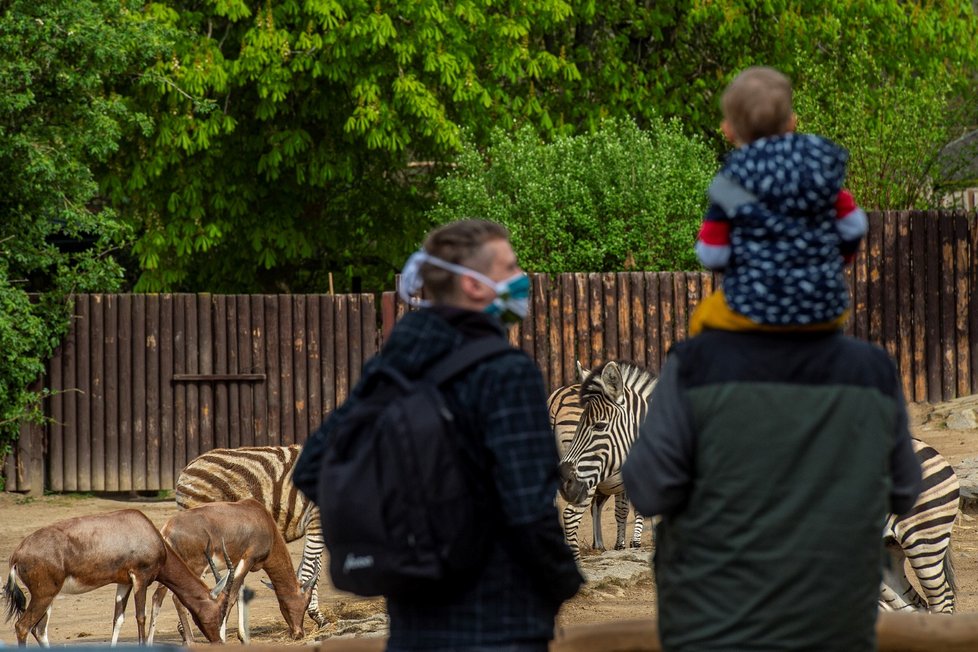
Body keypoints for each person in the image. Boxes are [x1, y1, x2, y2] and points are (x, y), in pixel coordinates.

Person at [296, 219, 584, 651]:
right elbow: (530, 512)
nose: (522, 280)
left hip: (414, 619)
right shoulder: (506, 373)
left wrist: (408, 538)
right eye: (510, 268)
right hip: (501, 620)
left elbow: (312, 467)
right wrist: (563, 580)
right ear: (473, 285)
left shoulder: (391, 368)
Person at [691, 65, 868, 335]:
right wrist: (836, 258)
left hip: (751, 309)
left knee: (701, 320)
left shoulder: (733, 182)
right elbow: (854, 226)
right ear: (792, 122)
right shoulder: (815, 169)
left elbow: (713, 254)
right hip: (822, 307)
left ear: (728, 131)